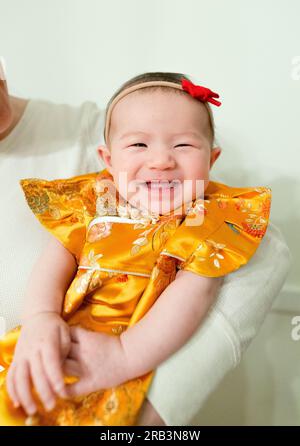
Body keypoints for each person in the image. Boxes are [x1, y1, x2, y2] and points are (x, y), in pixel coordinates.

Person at [0, 65, 291, 426]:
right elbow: (55, 261)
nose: (161, 160)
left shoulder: (208, 220)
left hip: (123, 361)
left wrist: (124, 356)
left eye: (183, 145)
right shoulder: (95, 200)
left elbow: (194, 297)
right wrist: (40, 319)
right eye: (139, 144)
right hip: (48, 344)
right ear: (108, 160)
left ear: (212, 160)